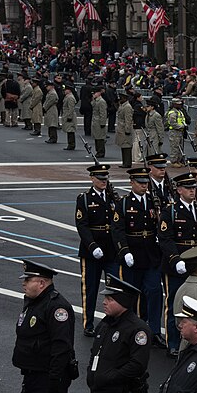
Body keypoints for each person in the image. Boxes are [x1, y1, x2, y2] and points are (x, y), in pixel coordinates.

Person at [12, 260, 76, 393]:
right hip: (30, 376)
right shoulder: (33, 302)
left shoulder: (57, 307)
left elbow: (61, 347)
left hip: (48, 378)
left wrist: (55, 380)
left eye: (28, 280)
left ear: (42, 282)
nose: (24, 284)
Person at [112, 166, 166, 349]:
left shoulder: (154, 201)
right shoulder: (124, 204)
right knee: (131, 294)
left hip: (151, 255)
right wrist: (124, 251)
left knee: (154, 292)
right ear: (132, 183)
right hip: (133, 255)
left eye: (146, 183)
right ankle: (132, 329)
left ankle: (155, 330)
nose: (144, 186)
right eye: (140, 183)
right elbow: (118, 230)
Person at [159, 172, 197, 358]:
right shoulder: (170, 211)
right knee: (175, 305)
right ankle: (173, 342)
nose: (192, 191)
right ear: (179, 190)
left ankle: (194, 340)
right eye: (188, 188)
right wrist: (175, 259)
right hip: (177, 263)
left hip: (196, 262)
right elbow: (165, 238)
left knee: (196, 303)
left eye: (193, 188)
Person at [76, 163, 119, 337]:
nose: (103, 181)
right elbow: (82, 225)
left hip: (110, 250)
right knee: (90, 288)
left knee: (114, 288)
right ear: (92, 178)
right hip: (91, 250)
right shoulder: (84, 198)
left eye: (105, 178)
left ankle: (112, 321)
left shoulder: (112, 197)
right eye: (100, 179)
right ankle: (88, 323)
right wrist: (92, 246)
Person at [116, 91, 135, 168]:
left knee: (126, 146)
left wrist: (127, 130)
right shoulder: (122, 105)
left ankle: (127, 162)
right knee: (123, 146)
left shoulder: (127, 107)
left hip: (124, 129)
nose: (120, 99)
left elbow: (128, 119)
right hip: (121, 128)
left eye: (121, 98)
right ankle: (125, 162)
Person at [91, 86, 108, 158]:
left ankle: (101, 152)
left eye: (95, 93)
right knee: (96, 137)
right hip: (95, 120)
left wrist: (102, 123)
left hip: (99, 121)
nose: (93, 94)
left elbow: (103, 113)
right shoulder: (96, 100)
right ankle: (98, 150)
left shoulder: (101, 101)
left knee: (100, 137)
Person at [61, 85, 77, 150]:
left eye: (65, 90)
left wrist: (69, 116)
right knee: (69, 130)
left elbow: (71, 108)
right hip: (67, 115)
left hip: (69, 116)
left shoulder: (70, 98)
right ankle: (70, 144)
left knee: (70, 130)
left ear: (69, 90)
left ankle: (71, 144)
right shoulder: (68, 97)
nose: (64, 91)